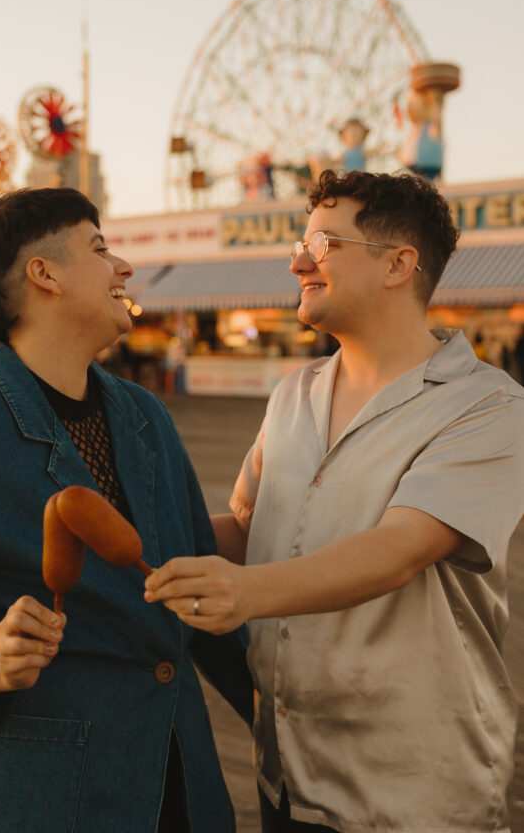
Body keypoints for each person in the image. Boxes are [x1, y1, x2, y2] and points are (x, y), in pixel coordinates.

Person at [0, 187, 252, 833]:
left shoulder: (146, 417)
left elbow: (198, 581)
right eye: (100, 249)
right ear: (44, 274)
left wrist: (273, 711)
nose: (123, 267)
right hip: (33, 797)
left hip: (176, 783)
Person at [145, 169, 524, 833]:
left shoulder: (489, 406)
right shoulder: (293, 393)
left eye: (322, 244)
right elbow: (246, 528)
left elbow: (401, 548)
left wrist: (247, 592)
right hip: (285, 770)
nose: (296, 261)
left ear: (398, 264)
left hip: (411, 789)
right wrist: (140, 533)